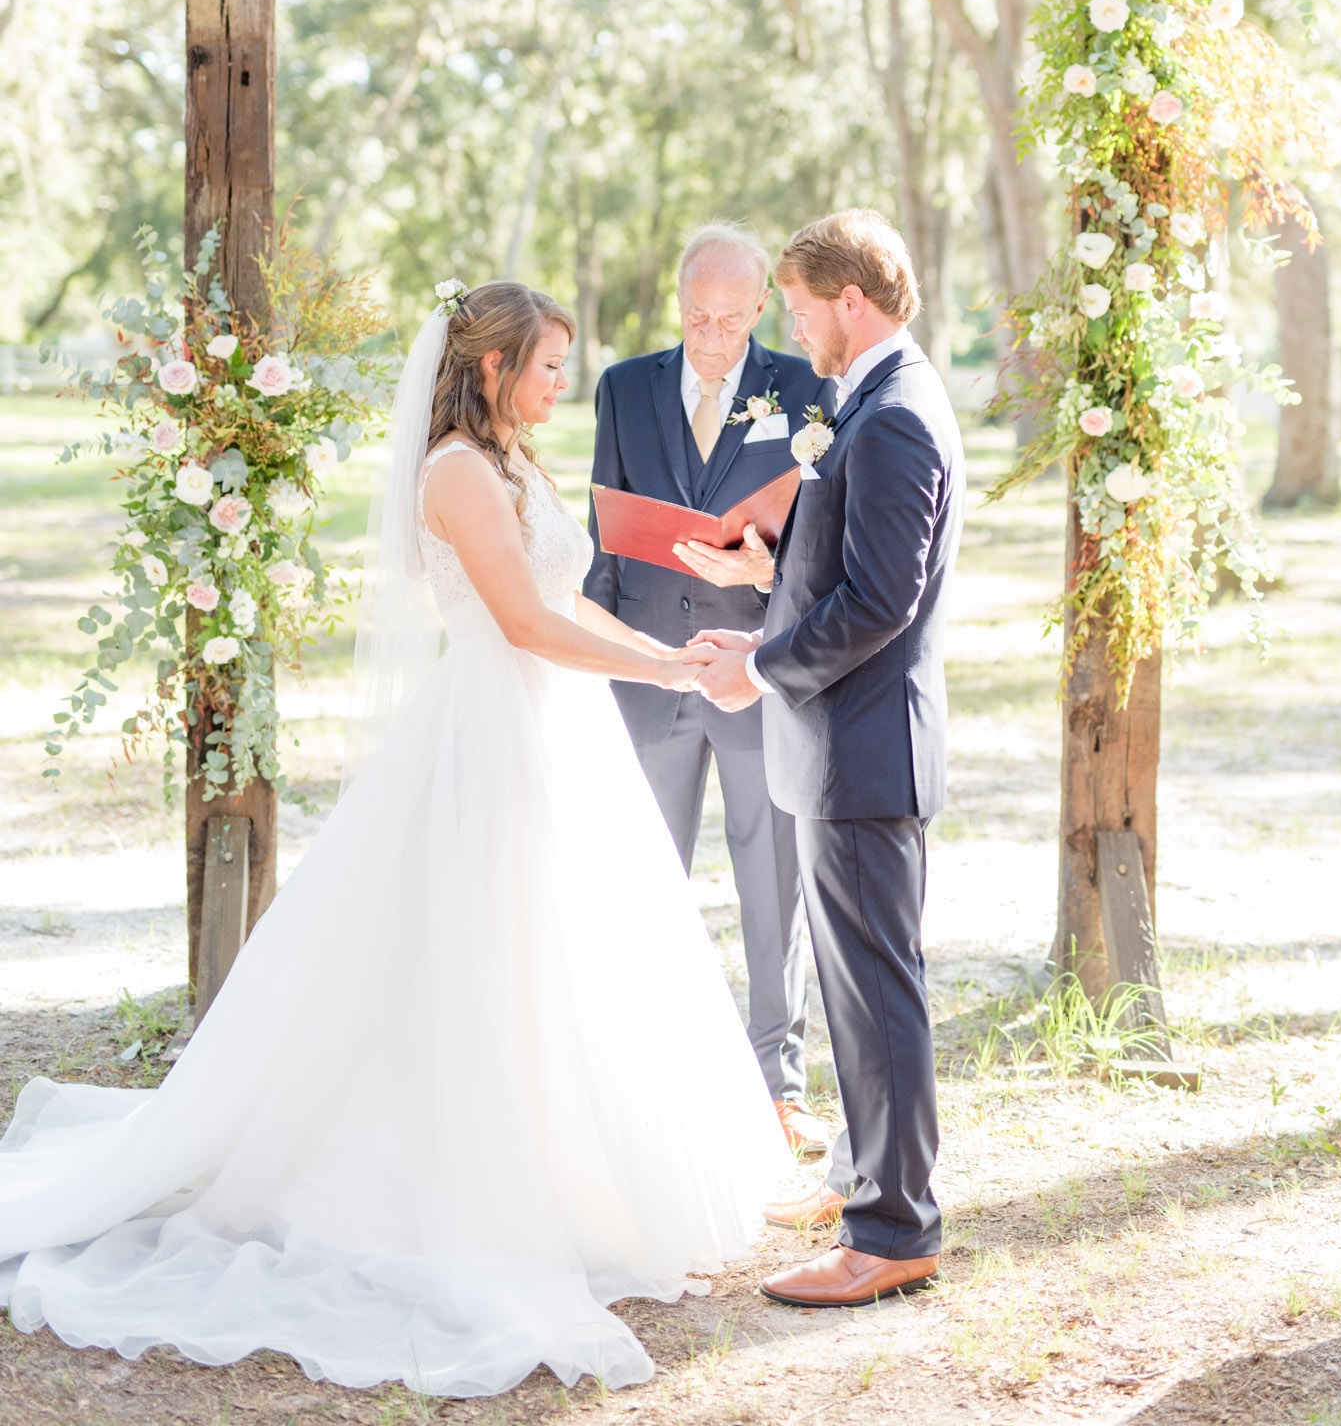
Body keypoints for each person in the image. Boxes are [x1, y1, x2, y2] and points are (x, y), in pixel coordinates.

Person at [0, 281, 788, 1398]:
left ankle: (584, 1174)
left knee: (568, 953)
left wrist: (671, 651)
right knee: (481, 956)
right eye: (547, 365)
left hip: (556, 721)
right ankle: (471, 1180)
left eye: (566, 365)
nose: (564, 384)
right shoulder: (457, 473)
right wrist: (659, 670)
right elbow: (518, 622)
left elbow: (571, 596)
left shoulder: (516, 461)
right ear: (487, 368)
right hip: (493, 725)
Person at [691, 210, 964, 1309]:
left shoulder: (894, 412)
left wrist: (755, 668)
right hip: (840, 743)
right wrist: (771, 575)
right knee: (856, 990)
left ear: (848, 299)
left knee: (875, 992)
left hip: (862, 749)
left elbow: (881, 602)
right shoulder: (875, 399)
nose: (792, 324)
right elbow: (846, 572)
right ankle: (862, 1175)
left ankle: (892, 1230)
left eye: (798, 305)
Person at [585, 226, 834, 1159]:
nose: (714, 336)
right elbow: (605, 532)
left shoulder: (808, 391)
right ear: (677, 305)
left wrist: (767, 580)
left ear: (761, 307)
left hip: (754, 673)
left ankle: (778, 1084)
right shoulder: (625, 388)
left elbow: (821, 540)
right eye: (698, 318)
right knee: (644, 878)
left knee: (772, 882)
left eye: (732, 320)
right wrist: (601, 660)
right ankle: (647, 1078)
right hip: (648, 669)